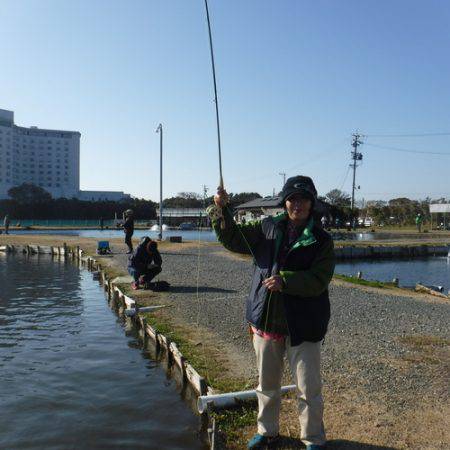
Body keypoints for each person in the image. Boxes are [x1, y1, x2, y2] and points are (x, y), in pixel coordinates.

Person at [208, 175, 335, 450]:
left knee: (308, 389)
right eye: (292, 198)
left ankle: (313, 439)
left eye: (303, 199)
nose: (297, 204)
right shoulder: (266, 227)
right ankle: (267, 432)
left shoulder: (322, 240)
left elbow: (320, 278)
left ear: (312, 203)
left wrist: (285, 280)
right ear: (284, 201)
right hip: (266, 319)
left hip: (305, 324)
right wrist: (221, 209)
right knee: (266, 385)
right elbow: (233, 237)